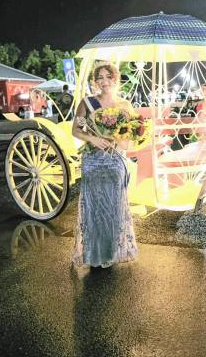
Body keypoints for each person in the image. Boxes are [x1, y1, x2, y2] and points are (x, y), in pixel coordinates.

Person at [71, 63, 138, 276]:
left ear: (116, 79)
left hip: (115, 161)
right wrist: (93, 138)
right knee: (93, 207)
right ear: (95, 81)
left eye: (108, 76)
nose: (104, 81)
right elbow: (76, 129)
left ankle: (111, 252)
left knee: (113, 206)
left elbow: (131, 136)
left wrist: (118, 137)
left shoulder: (125, 105)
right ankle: (93, 254)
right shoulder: (87, 103)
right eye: (99, 77)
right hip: (92, 160)